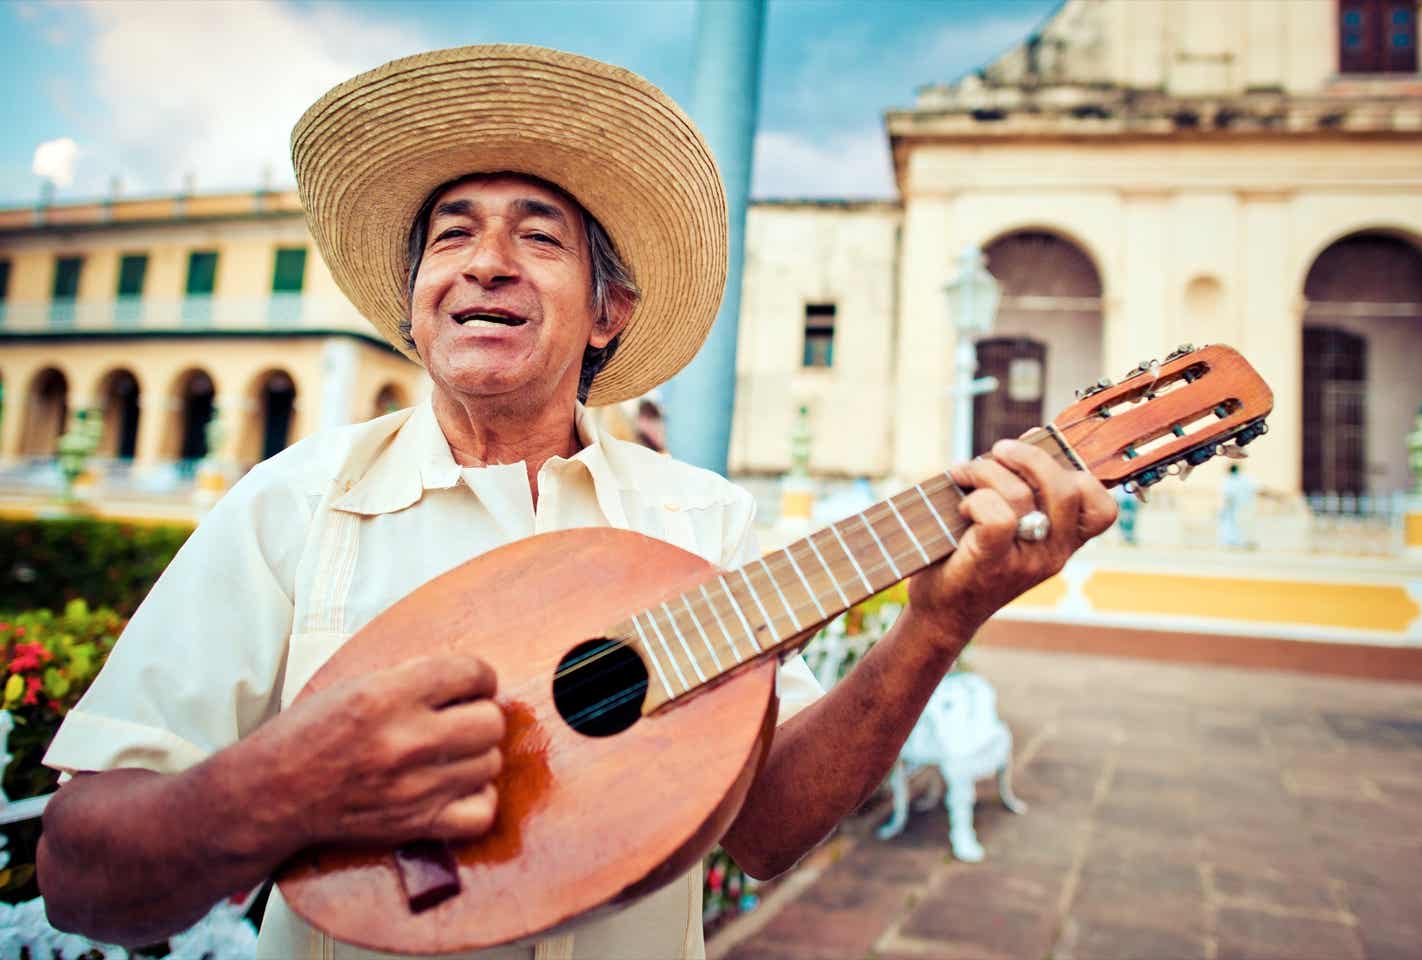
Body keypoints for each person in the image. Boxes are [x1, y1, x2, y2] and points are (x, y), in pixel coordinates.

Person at [37, 46, 1116, 960]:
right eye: (451, 236)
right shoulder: (291, 506)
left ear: (609, 312)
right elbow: (81, 875)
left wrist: (940, 620)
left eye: (540, 238)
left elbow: (769, 833)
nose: (486, 265)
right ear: (415, 308)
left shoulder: (703, 526)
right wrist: (276, 789)